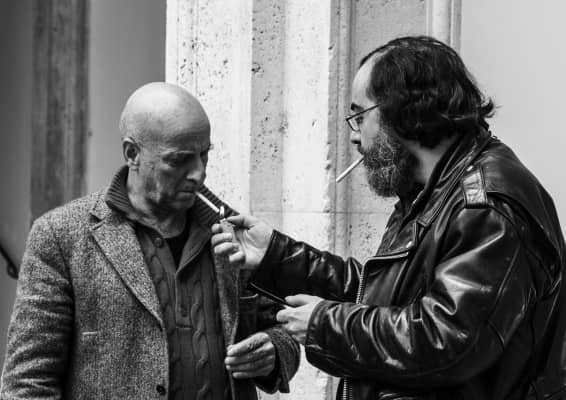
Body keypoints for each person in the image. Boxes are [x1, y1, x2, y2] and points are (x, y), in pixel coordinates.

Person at [211, 36, 566, 399]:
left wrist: (325, 325)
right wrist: (275, 255)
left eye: (359, 116)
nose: (354, 137)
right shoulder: (431, 189)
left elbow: (445, 340)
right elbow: (379, 295)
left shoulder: (485, 206)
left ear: (400, 111)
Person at [0, 82, 299, 400]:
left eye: (204, 155)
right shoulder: (61, 236)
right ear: (132, 154)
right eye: (180, 159)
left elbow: (287, 330)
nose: (198, 173)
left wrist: (273, 351)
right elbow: (27, 383)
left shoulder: (233, 233)